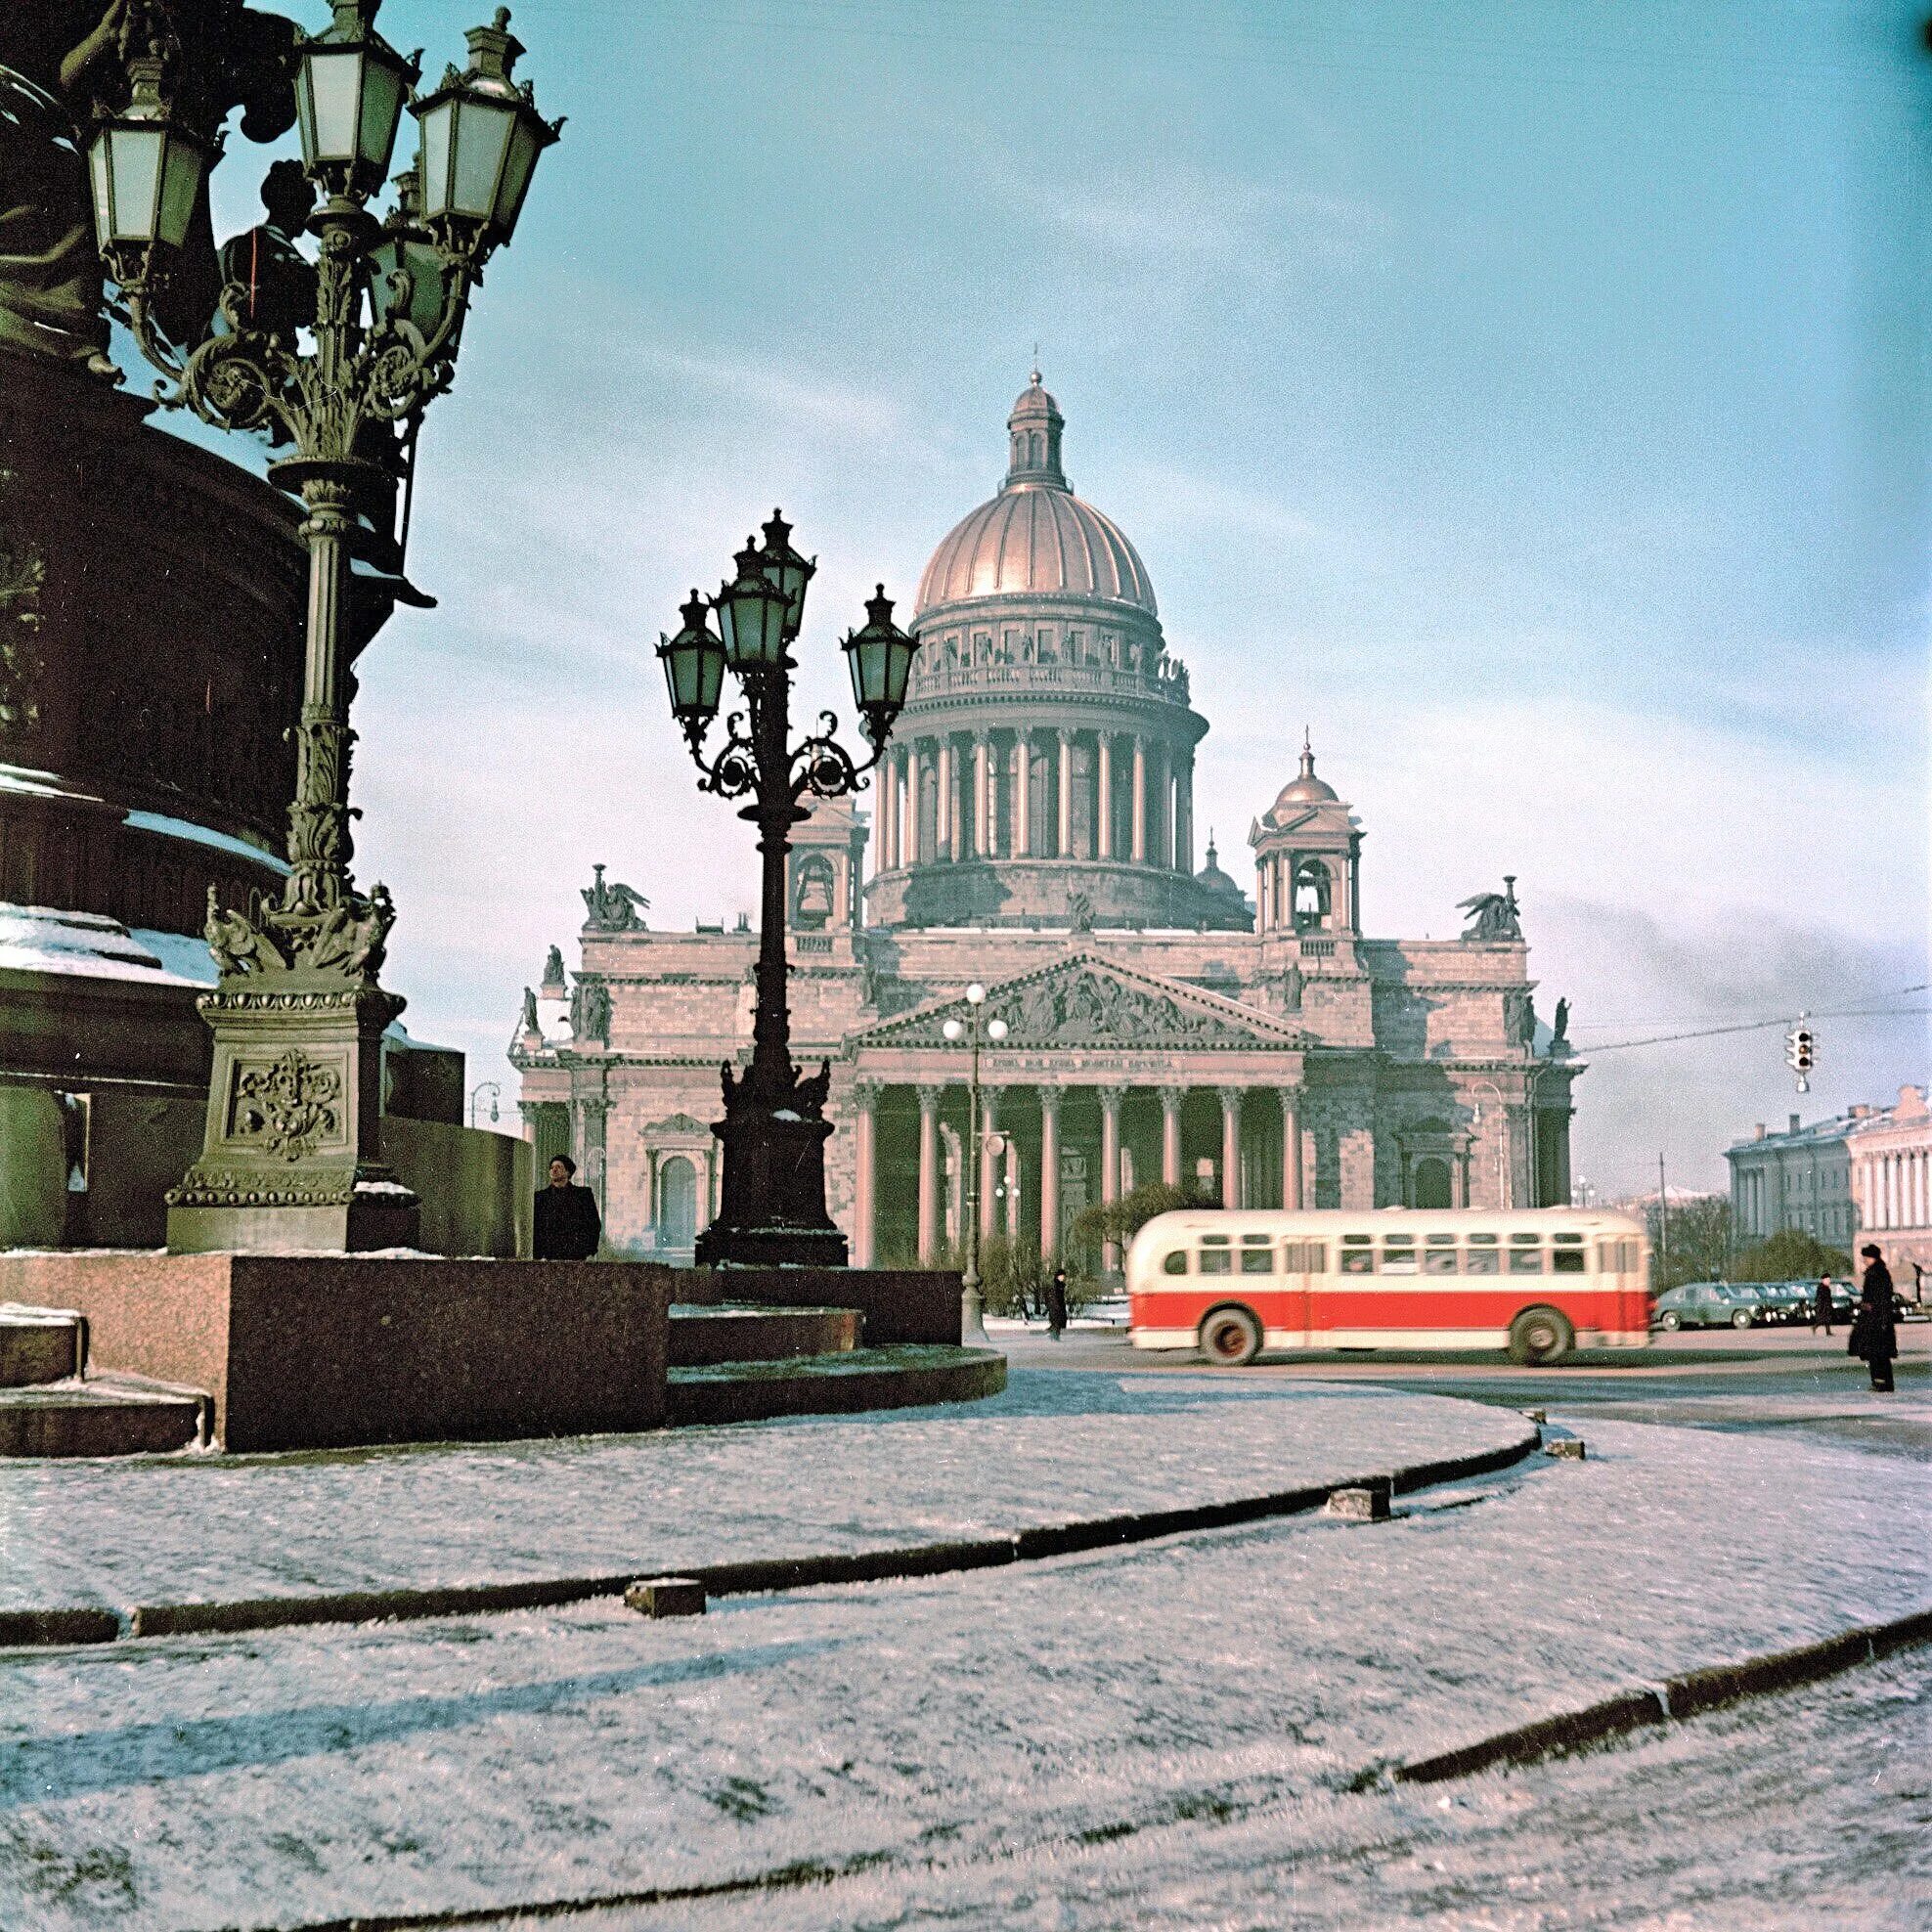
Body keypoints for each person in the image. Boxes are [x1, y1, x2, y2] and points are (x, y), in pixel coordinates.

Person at [534, 1155, 601, 1261]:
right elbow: (536, 1226)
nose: (554, 1170)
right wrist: (538, 1254)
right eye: (552, 1167)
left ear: (568, 1172)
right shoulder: (540, 1197)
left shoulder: (583, 1195)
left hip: (576, 1255)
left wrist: (589, 1251)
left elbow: (594, 1224)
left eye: (559, 1167)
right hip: (548, 1256)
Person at [1849, 1244, 1897, 1393]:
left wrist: (1875, 1312)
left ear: (1873, 1258)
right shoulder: (1877, 1273)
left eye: (1866, 1258)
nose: (1864, 1260)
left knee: (1877, 1353)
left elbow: (1882, 1298)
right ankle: (1882, 1382)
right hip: (1875, 1319)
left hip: (1876, 1320)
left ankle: (1881, 1382)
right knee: (1876, 1353)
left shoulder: (1877, 1274)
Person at [1045, 1264, 1068, 1341]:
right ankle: (1053, 1335)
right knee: (1056, 1322)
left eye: (1063, 1276)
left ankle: (1055, 1336)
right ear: (1058, 1276)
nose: (1063, 1278)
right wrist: (1056, 1305)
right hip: (1056, 1307)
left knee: (1059, 1322)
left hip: (1059, 1306)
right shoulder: (1056, 1285)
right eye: (1061, 1276)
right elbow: (1053, 1296)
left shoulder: (1060, 1285)